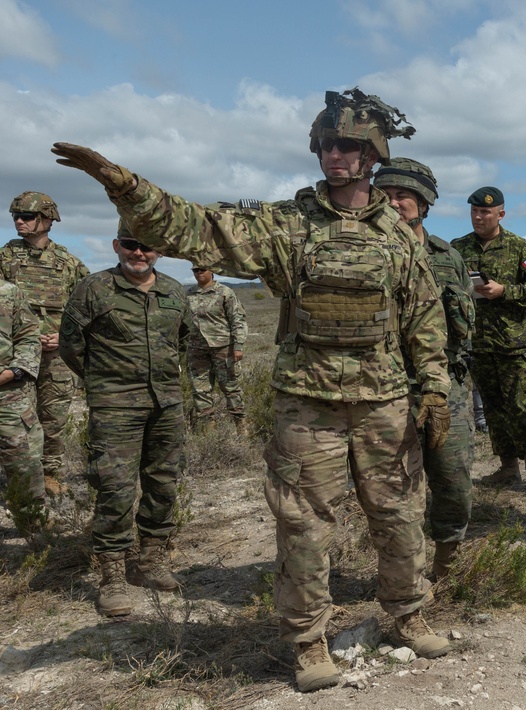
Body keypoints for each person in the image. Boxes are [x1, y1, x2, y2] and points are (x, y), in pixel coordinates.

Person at [53, 87, 452, 693]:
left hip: (383, 399)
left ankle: (408, 614)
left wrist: (436, 388)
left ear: (371, 156)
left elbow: (423, 314)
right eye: (326, 144)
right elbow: (196, 228)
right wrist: (124, 185)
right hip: (307, 400)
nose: (335, 155)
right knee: (302, 524)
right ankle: (309, 641)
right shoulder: (285, 224)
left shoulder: (399, 235)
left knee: (398, 514)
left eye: (348, 146)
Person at [59, 223, 191, 616]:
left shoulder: (173, 291)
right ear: (117, 246)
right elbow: (70, 346)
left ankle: (150, 560)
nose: (138, 253)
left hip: (166, 404)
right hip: (115, 406)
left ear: (159, 251)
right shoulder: (94, 288)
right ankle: (112, 575)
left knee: (163, 482)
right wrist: (105, 382)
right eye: (130, 245)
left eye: (146, 246)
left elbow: (183, 340)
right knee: (114, 488)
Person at [374, 157, 475, 581]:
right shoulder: (367, 251)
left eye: (404, 196)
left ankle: (447, 564)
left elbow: (467, 326)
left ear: (425, 203)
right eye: (388, 195)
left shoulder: (447, 258)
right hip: (384, 388)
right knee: (394, 489)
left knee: (452, 482)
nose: (395, 204)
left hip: (443, 385)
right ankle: (404, 575)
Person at [452, 187, 526, 499]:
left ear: (500, 215)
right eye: (474, 212)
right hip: (478, 344)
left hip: (513, 344)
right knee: (493, 408)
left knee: (522, 406)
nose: (478, 217)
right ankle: (508, 467)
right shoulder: (458, 248)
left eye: (485, 213)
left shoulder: (518, 247)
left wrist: (506, 291)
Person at [2, 192, 89, 497]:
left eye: (26, 216)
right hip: (16, 358)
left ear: (47, 219)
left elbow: (87, 308)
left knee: (53, 418)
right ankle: (23, 478)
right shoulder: (4, 258)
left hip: (55, 355)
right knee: (18, 422)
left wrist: (66, 337)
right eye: (16, 216)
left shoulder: (69, 263)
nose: (19, 221)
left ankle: (51, 474)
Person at [0, 275, 44, 537]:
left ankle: (33, 524)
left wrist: (13, 372)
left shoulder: (9, 292)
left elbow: (28, 336)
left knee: (23, 458)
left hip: (7, 392)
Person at [186, 266, 248, 429]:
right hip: (197, 349)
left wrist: (238, 345)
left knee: (230, 387)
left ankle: (241, 425)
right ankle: (208, 428)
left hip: (223, 348)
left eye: (202, 269)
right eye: (195, 270)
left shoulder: (225, 292)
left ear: (212, 271)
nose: (199, 273)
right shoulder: (189, 294)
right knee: (200, 389)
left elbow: (238, 319)